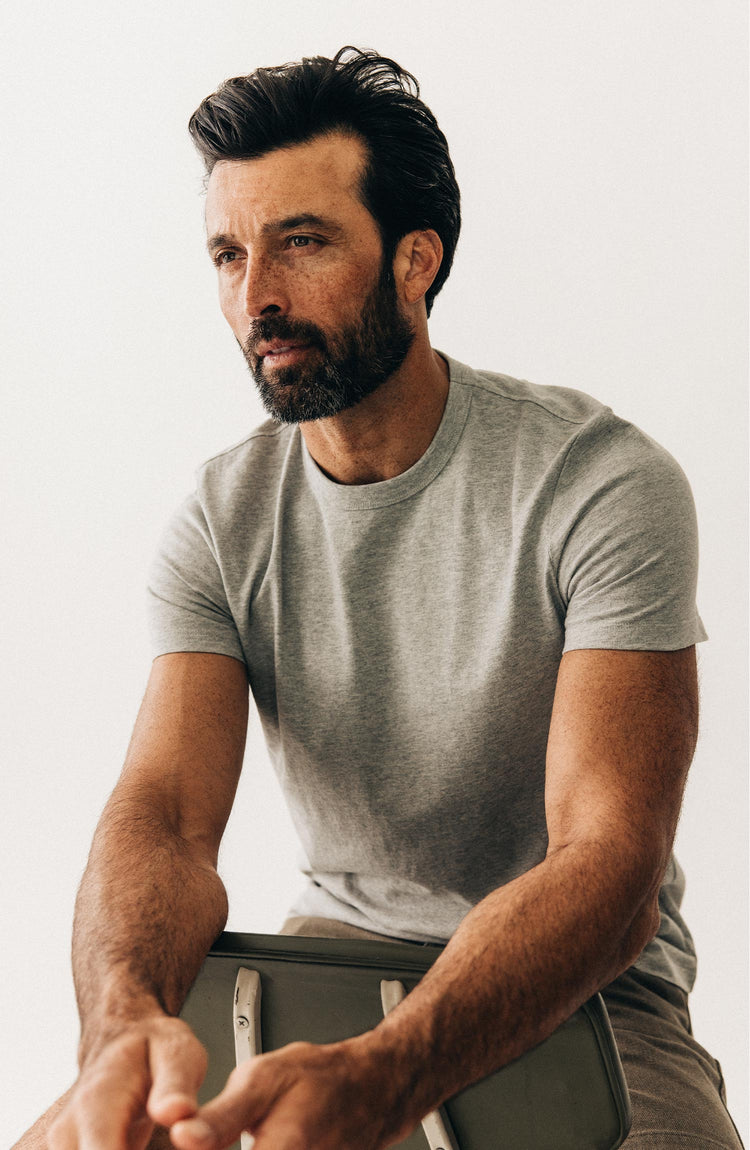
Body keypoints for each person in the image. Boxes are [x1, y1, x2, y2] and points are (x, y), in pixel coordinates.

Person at [16, 46, 743, 1150]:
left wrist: (397, 1069)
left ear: (416, 260)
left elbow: (608, 863)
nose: (257, 295)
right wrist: (121, 1022)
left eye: (300, 243)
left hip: (592, 1000)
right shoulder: (222, 517)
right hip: (327, 963)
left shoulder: (600, 483)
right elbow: (163, 816)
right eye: (227, 253)